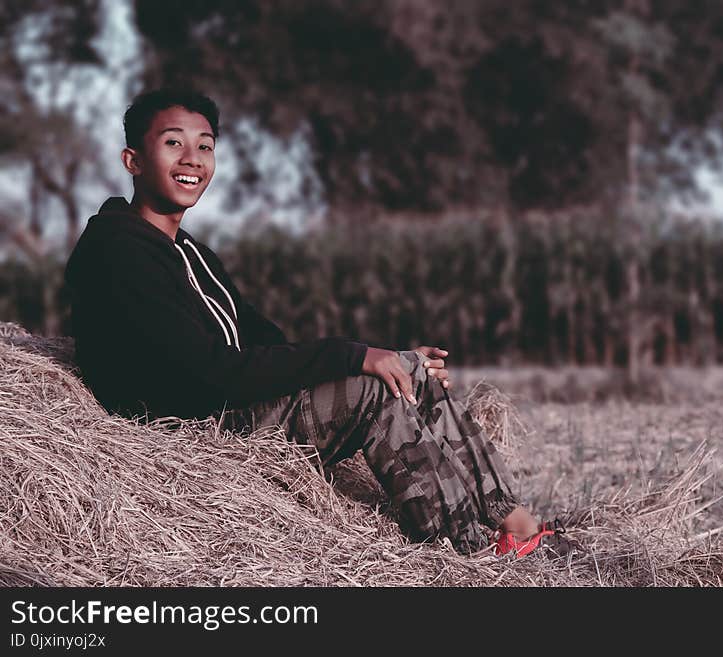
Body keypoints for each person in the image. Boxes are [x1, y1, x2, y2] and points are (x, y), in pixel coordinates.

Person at [65, 88, 573, 558]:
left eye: (205, 146)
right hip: (187, 431)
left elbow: (264, 341)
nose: (192, 160)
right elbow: (209, 373)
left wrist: (391, 359)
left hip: (226, 404)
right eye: (173, 143)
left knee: (403, 372)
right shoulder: (119, 251)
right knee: (372, 389)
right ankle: (466, 554)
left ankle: (518, 525)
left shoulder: (193, 253)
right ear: (133, 160)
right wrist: (354, 357)